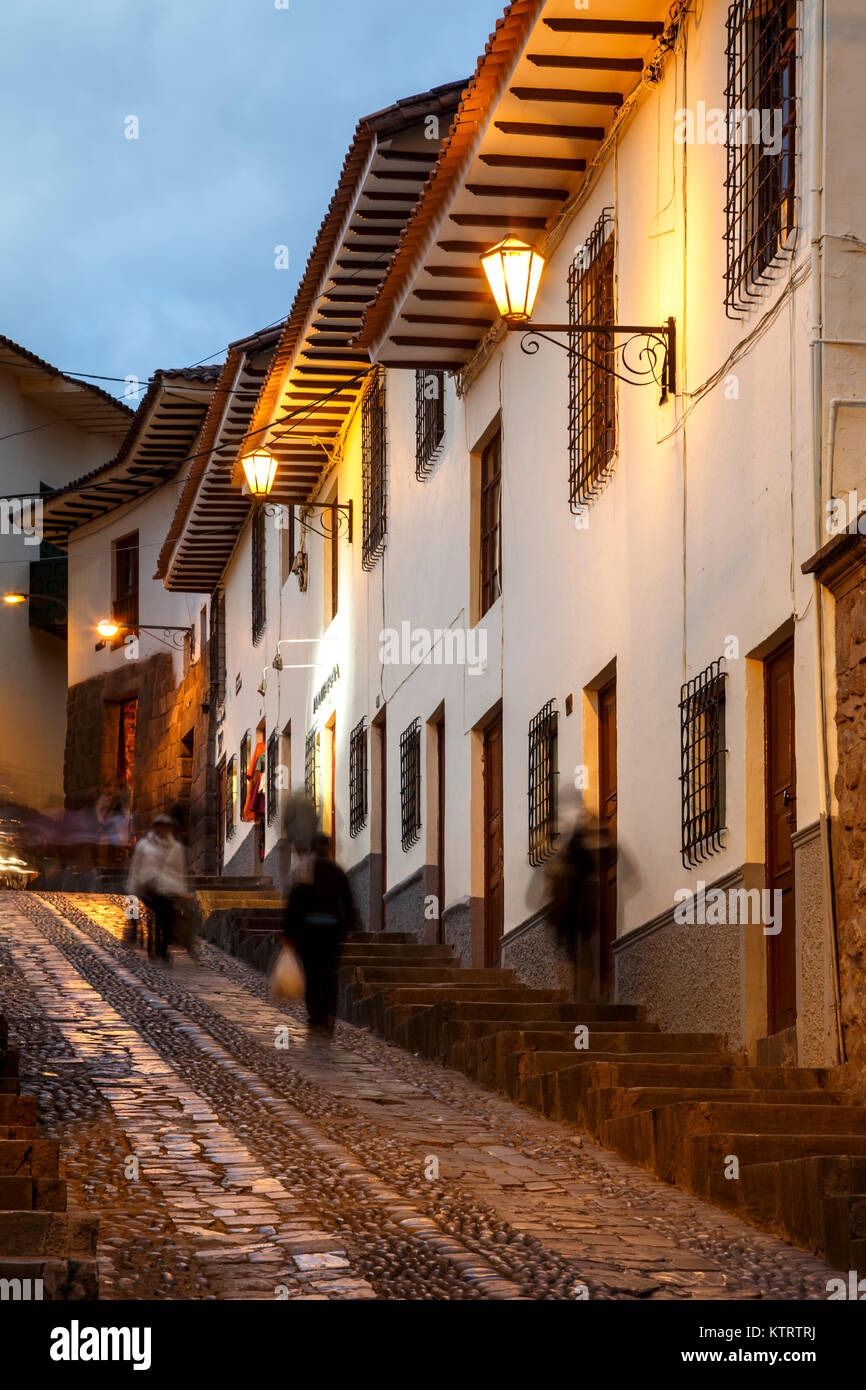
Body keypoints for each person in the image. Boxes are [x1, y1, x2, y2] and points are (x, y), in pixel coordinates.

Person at [283, 832, 356, 1044]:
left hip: (308, 934)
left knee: (312, 975)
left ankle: (315, 1014)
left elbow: (294, 905)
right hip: (332, 933)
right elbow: (348, 901)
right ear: (328, 849)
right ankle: (328, 1016)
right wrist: (352, 926)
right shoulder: (337, 872)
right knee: (329, 975)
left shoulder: (303, 872)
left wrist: (288, 933)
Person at [126, 813, 191, 964]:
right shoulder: (144, 845)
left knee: (167, 920)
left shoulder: (176, 848)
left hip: (168, 889)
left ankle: (162, 949)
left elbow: (180, 871)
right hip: (148, 887)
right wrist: (132, 887)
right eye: (159, 826)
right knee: (154, 919)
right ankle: (154, 948)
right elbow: (136, 867)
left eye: (165, 827)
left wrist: (182, 891)